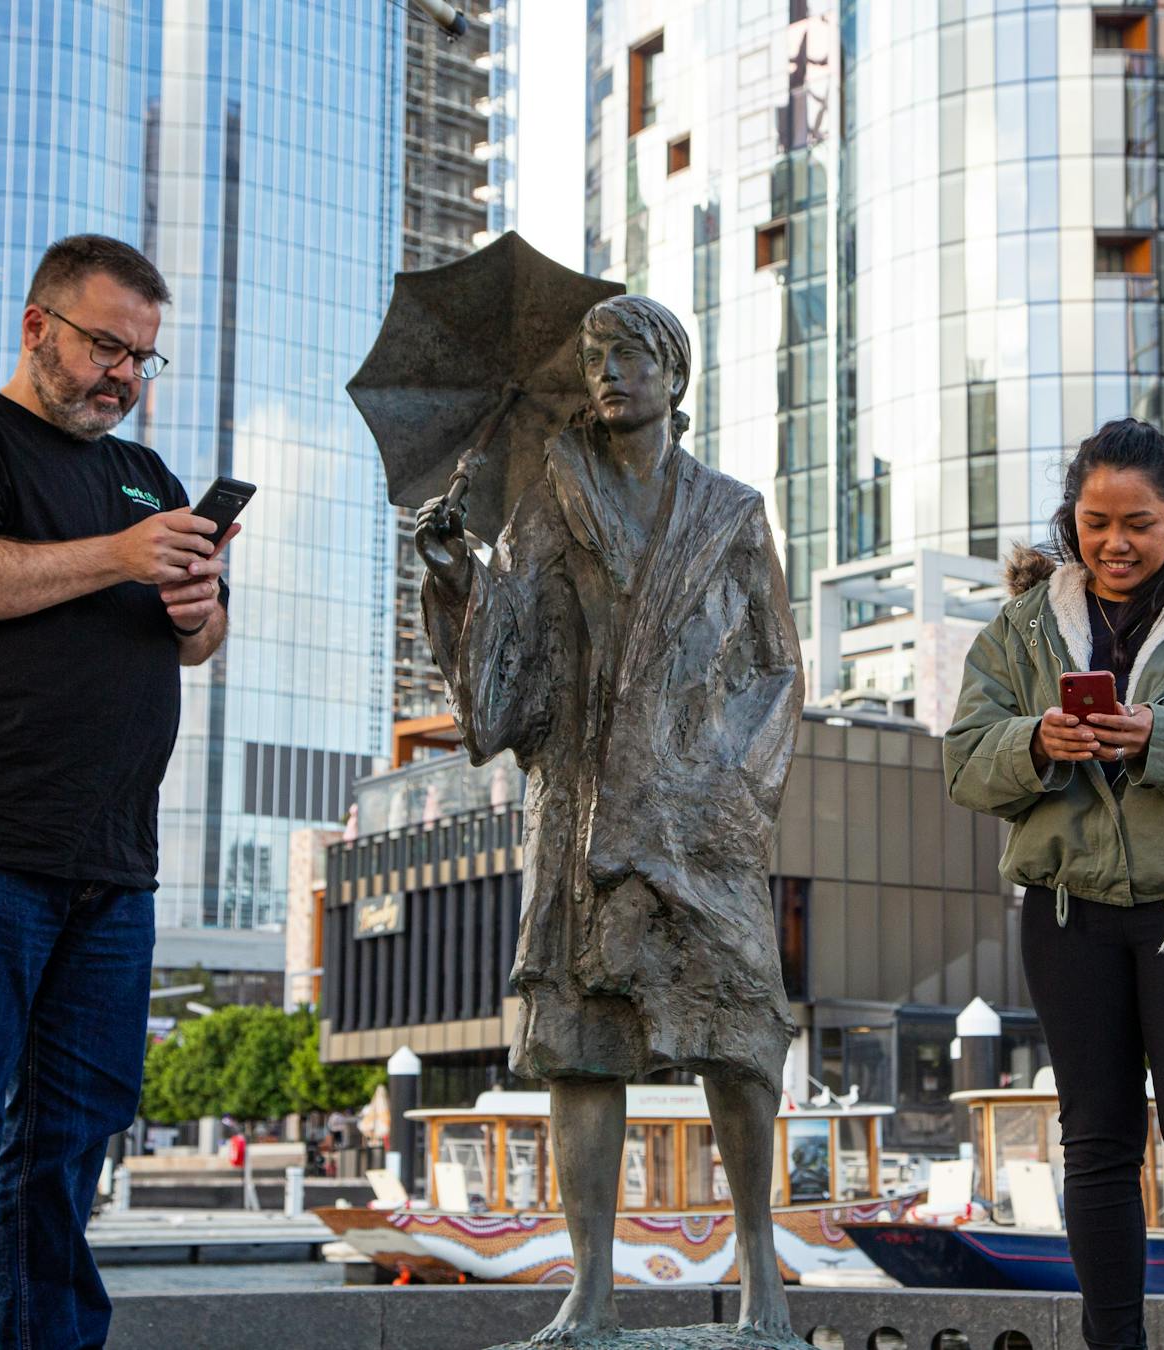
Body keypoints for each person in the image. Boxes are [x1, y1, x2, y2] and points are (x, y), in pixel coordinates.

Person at [0, 234, 237, 1349]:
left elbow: (199, 647)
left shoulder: (151, 480)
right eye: (106, 347)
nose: (123, 376)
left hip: (110, 859)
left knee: (73, 1130)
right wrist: (121, 557)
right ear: (39, 329)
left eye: (143, 359)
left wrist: (197, 602)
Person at [414, 295, 804, 1342]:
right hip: (580, 802)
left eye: (629, 356)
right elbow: (509, 661)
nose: (607, 376)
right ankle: (590, 1290)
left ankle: (764, 1279)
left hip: (698, 815)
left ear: (675, 376)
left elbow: (776, 669)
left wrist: (725, 786)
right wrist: (456, 575)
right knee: (578, 1045)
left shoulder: (731, 509)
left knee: (738, 1039)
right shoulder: (551, 493)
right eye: (594, 360)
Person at [944, 418, 1164, 1350]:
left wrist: (1161, 736)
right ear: (1072, 517)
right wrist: (1032, 743)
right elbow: (962, 764)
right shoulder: (1021, 628)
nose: (1115, 543)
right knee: (1096, 1146)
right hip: (1068, 916)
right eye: (1095, 520)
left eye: (1138, 522)